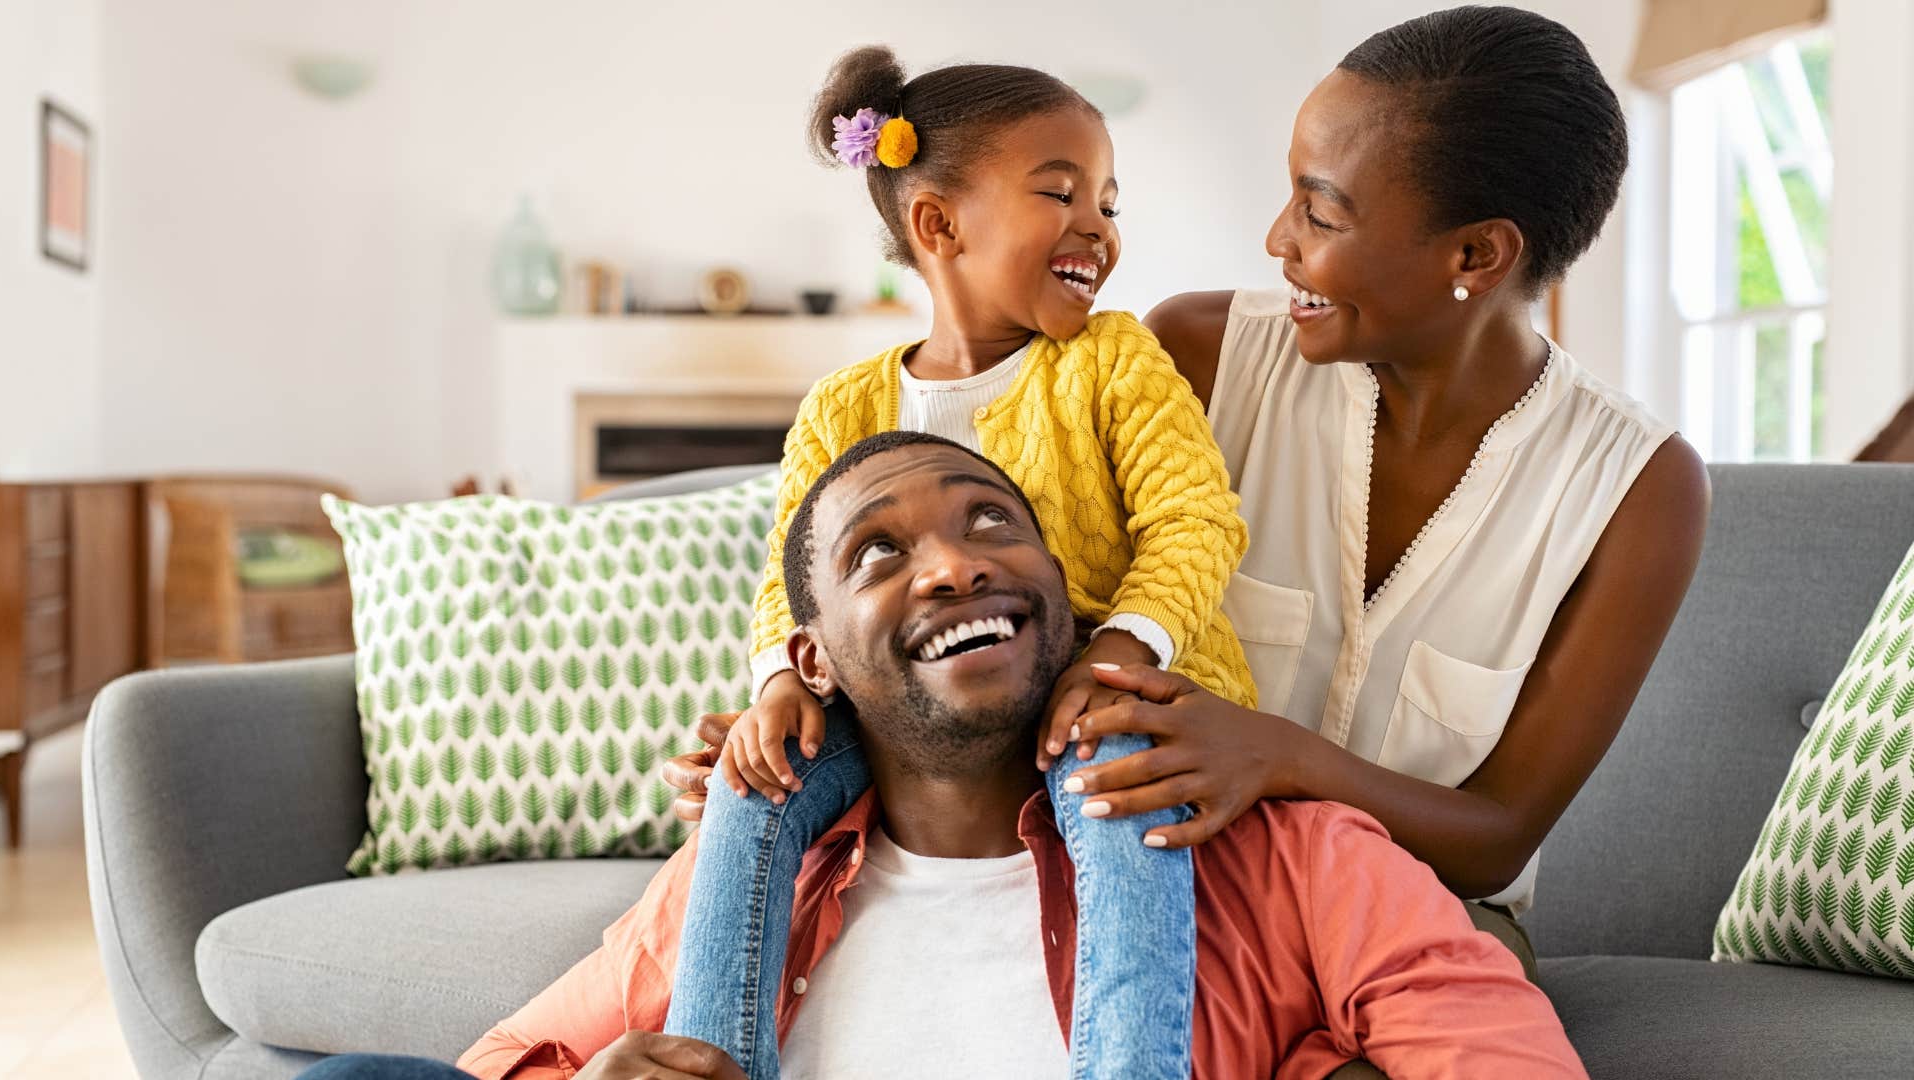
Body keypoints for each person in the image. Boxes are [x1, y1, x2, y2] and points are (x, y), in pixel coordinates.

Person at [672, 3, 1712, 1029]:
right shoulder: (1200, 353)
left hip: (1426, 918)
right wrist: (833, 703)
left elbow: (1496, 836)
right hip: (1173, 886)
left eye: (1321, 211)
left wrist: (1276, 753)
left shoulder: (1638, 490)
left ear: (1476, 257)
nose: (1276, 239)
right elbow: (980, 592)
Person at [365, 431, 1571, 1080]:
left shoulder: (1294, 857)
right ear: (812, 659)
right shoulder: (745, 881)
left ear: (1068, 600)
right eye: (879, 556)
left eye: (991, 522)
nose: (952, 564)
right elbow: (497, 1061)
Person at [672, 47, 1256, 1080]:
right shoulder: (841, 407)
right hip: (912, 721)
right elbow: (789, 576)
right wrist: (776, 683)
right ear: (939, 225)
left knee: (1113, 783)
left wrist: (1116, 652)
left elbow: (1195, 521)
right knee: (749, 787)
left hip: (1100, 693)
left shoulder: (1114, 359)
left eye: (1109, 202)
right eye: (1060, 192)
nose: (1099, 227)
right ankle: (710, 1058)